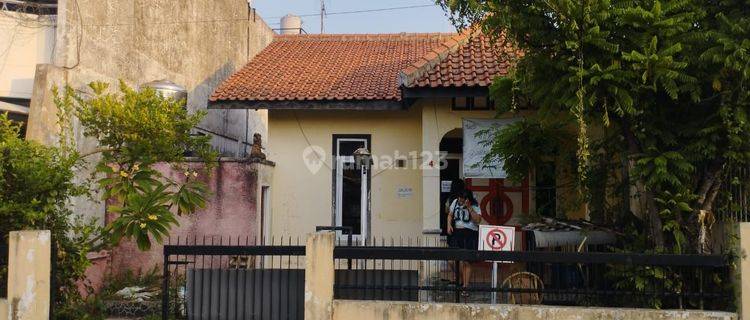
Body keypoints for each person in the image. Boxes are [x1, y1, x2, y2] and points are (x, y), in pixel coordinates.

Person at [447, 189, 482, 295]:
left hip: (470, 233)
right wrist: (449, 225)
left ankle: (465, 287)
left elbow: (478, 220)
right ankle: (463, 280)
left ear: (467, 199)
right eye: (459, 198)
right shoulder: (455, 202)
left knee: (466, 261)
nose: (460, 200)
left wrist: (469, 208)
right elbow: (450, 214)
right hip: (457, 232)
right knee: (451, 260)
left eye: (462, 199)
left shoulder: (475, 205)